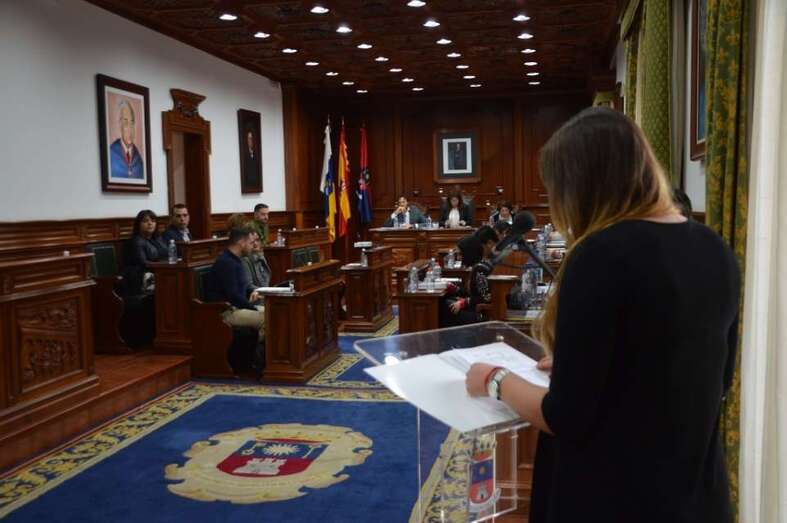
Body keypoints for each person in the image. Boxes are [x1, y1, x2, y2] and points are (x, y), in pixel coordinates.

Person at [464, 108, 740, 523]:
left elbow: (564, 416)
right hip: (694, 493)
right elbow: (706, 375)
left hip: (614, 494)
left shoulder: (600, 254)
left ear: (579, 187)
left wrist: (495, 379)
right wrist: (586, 364)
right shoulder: (713, 247)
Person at [205, 226, 264, 342]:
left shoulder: (236, 260)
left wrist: (252, 291)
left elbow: (242, 286)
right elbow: (233, 296)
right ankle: (255, 350)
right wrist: (253, 308)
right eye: (251, 242)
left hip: (238, 307)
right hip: (226, 311)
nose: (253, 246)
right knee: (267, 318)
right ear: (241, 242)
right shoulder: (226, 262)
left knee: (275, 312)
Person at [440, 225, 497, 326]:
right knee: (445, 301)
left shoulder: (480, 269)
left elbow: (486, 297)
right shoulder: (477, 266)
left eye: (460, 254)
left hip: (481, 315)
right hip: (474, 309)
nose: (458, 258)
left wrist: (464, 302)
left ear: (469, 252)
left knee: (443, 307)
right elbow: (474, 292)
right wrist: (454, 289)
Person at [122, 209, 167, 296]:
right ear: (138, 224)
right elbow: (143, 263)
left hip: (157, 271)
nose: (150, 223)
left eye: (153, 221)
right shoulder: (136, 241)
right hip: (140, 276)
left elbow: (167, 253)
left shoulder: (158, 238)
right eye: (145, 221)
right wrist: (163, 265)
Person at [109, 100, 144, 179]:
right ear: (120, 125)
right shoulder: (111, 153)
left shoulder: (138, 158)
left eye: (132, 123)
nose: (130, 129)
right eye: (126, 123)